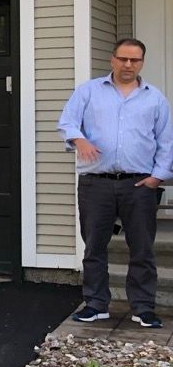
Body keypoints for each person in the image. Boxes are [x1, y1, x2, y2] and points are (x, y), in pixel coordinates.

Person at [58, 38, 172, 328]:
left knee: (142, 249)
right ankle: (96, 304)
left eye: (135, 60)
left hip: (139, 186)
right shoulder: (89, 91)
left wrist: (157, 176)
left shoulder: (155, 98)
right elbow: (67, 122)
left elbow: (166, 141)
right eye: (123, 59)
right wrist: (79, 140)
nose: (128, 65)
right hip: (96, 184)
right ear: (112, 60)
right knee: (94, 246)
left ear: (142, 63)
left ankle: (143, 307)